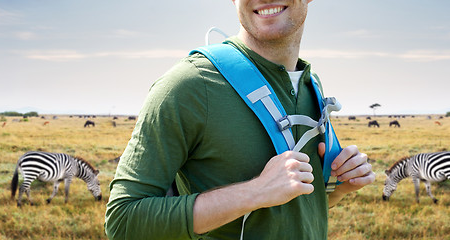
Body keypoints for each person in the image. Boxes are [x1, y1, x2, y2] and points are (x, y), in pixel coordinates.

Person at [105, 0, 375, 239]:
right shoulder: (190, 85)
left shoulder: (311, 85)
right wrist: (255, 191)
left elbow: (282, 216)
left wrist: (337, 188)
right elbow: (123, 220)